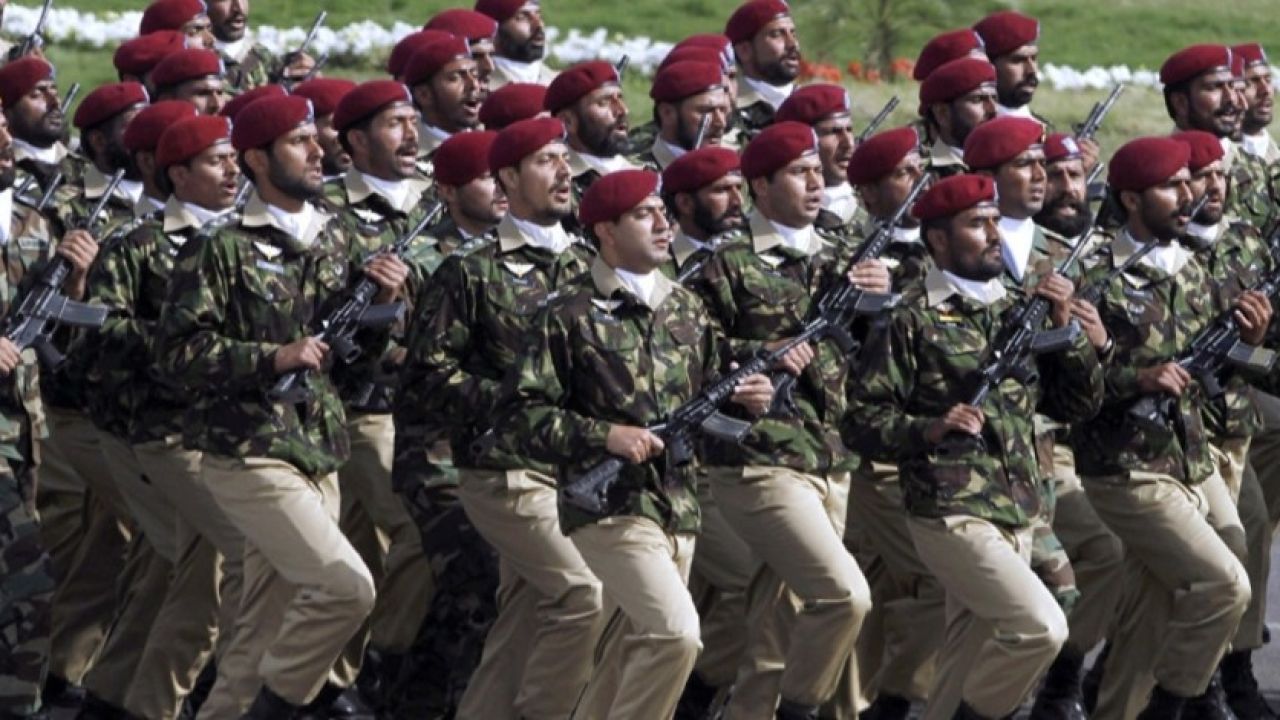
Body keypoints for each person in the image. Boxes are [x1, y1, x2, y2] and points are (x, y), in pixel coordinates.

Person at [156, 94, 402, 718]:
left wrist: (380, 313)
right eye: (299, 142)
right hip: (248, 452)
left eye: (315, 138)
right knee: (346, 588)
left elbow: (355, 369)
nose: (320, 150)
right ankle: (284, 706)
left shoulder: (340, 237)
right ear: (258, 160)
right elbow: (178, 356)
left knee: (259, 639)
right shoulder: (220, 248)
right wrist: (271, 358)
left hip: (318, 453)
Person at [503, 168, 773, 719]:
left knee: (622, 659)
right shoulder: (569, 313)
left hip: (679, 508)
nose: (662, 224)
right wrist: (605, 435)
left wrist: (748, 397)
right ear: (606, 229)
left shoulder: (686, 308)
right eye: (643, 215)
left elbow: (713, 392)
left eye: (662, 213)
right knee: (676, 634)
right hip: (611, 507)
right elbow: (520, 417)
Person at [846, 172, 1102, 720]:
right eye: (975, 224)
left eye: (993, 221)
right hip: (950, 510)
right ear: (938, 239)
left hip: (1020, 508)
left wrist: (1068, 332)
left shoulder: (1019, 306)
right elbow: (862, 422)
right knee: (1041, 627)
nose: (992, 234)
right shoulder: (908, 316)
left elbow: (1076, 405)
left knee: (963, 659)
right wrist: (929, 428)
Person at [395, 117, 601, 720]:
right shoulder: (471, 270)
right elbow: (425, 380)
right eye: (545, 161)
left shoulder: (590, 263)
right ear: (507, 177)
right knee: (582, 594)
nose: (563, 172)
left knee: (527, 616)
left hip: (578, 474)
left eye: (565, 159)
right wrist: (517, 403)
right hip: (504, 472)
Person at [696, 121, 885, 720]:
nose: (816, 182)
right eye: (799, 173)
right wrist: (760, 355)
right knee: (845, 596)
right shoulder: (725, 264)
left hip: (828, 460)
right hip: (758, 460)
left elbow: (877, 366)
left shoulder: (841, 259)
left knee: (779, 626)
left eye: (816, 171)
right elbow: (684, 352)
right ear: (760, 185)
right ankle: (798, 712)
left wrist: (879, 307)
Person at [1070, 136, 1262, 720]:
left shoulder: (1194, 268)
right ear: (1131, 199)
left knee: (1152, 612)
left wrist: (1251, 343)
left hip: (1191, 457)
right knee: (1226, 584)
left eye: (1188, 183)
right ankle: (1175, 704)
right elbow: (1067, 394)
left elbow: (1222, 368)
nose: (1189, 195)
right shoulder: (1094, 276)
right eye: (1171, 187)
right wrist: (1131, 372)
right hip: (1126, 465)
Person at [321, 79, 445, 712]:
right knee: (413, 530)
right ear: (357, 141)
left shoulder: (438, 200)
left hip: (431, 408)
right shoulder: (330, 213)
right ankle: (373, 663)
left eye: (411, 121)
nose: (410, 134)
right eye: (394, 124)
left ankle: (356, 669)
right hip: (365, 407)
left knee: (371, 543)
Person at [0, 100, 96, 720]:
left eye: (2, 124)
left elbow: (61, 342)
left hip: (22, 433)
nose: (5, 137)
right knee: (29, 580)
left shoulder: (32, 222)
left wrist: (76, 284)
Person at [776, 84, 860, 234]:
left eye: (849, 130)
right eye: (833, 132)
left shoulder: (873, 206)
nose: (849, 144)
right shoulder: (775, 214)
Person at [725, 0, 799, 136]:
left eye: (793, 34)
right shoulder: (726, 111)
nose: (792, 44)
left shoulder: (812, 105)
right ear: (744, 50)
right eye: (777, 34)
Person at [917, 57, 997, 179]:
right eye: (977, 99)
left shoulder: (1002, 166)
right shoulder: (931, 180)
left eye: (995, 98)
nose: (993, 109)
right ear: (942, 113)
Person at [474, 0, 556, 88]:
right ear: (493, 30)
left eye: (538, 14)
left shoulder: (557, 83)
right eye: (522, 17)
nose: (539, 25)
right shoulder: (475, 87)